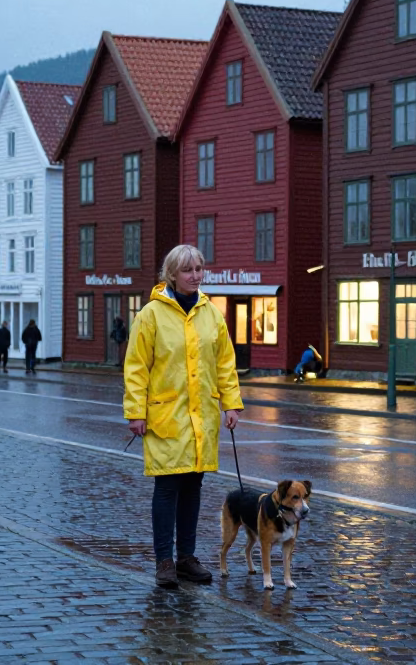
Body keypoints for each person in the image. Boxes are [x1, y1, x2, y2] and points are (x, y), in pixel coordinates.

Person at [124, 244, 243, 588]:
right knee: (167, 487)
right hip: (166, 416)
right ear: (172, 274)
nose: (195, 275)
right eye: (188, 270)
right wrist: (136, 411)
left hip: (201, 418)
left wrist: (230, 404)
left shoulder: (211, 314)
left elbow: (224, 363)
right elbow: (136, 367)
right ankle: (164, 560)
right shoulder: (151, 314)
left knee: (193, 486)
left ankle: (187, 558)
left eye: (199, 269)